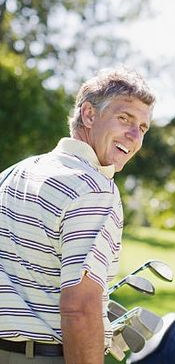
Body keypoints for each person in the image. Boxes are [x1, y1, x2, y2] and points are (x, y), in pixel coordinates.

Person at [0, 67, 155, 363]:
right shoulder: (94, 189)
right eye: (124, 118)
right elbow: (80, 309)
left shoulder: (12, 174)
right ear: (88, 115)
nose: (134, 136)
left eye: (143, 128)